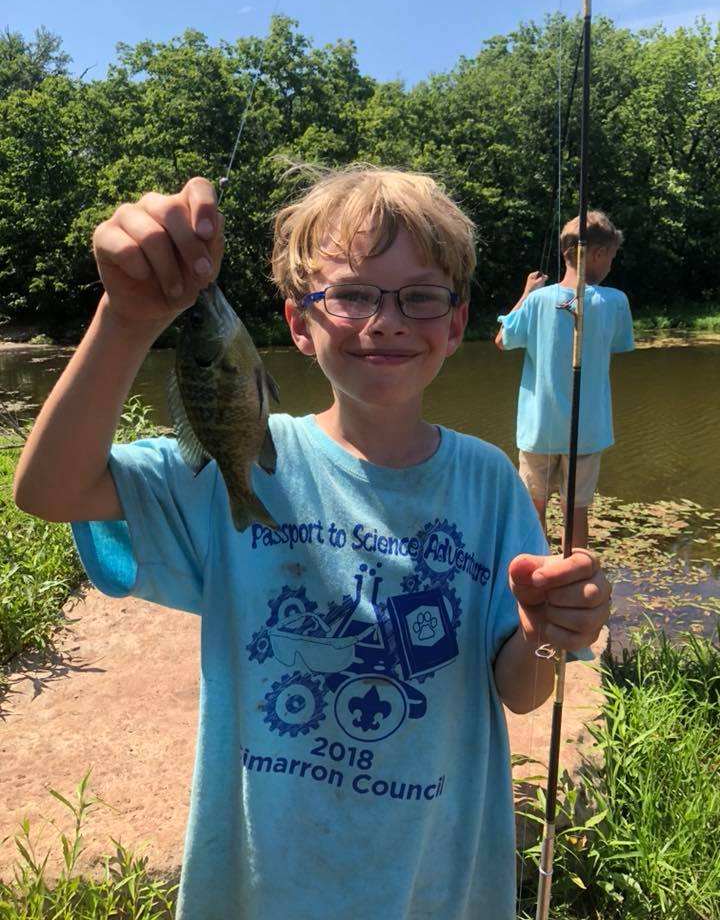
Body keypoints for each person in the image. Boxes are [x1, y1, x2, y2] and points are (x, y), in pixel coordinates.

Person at [14, 169, 610, 920]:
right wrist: (127, 320)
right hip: (264, 884)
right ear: (299, 324)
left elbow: (521, 693)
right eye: (353, 295)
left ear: (455, 325)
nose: (386, 320)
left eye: (420, 297)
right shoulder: (249, 460)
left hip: (435, 879)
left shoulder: (489, 485)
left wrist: (544, 632)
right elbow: (49, 491)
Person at [495, 210, 634, 549]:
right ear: (598, 254)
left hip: (538, 428)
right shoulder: (616, 302)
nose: (611, 264)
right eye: (611, 256)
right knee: (576, 511)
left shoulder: (538, 301)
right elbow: (619, 345)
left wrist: (528, 292)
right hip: (587, 432)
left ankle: (540, 576)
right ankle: (573, 578)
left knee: (533, 508)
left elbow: (502, 340)